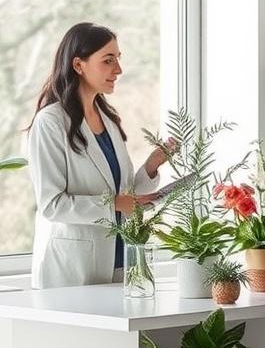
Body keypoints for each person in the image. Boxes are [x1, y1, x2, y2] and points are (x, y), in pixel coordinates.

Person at [27, 22, 175, 288]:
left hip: (119, 262)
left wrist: (152, 166)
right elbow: (51, 204)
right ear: (78, 65)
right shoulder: (50, 122)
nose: (118, 70)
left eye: (118, 59)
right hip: (72, 271)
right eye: (108, 60)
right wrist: (115, 205)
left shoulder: (107, 119)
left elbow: (123, 194)